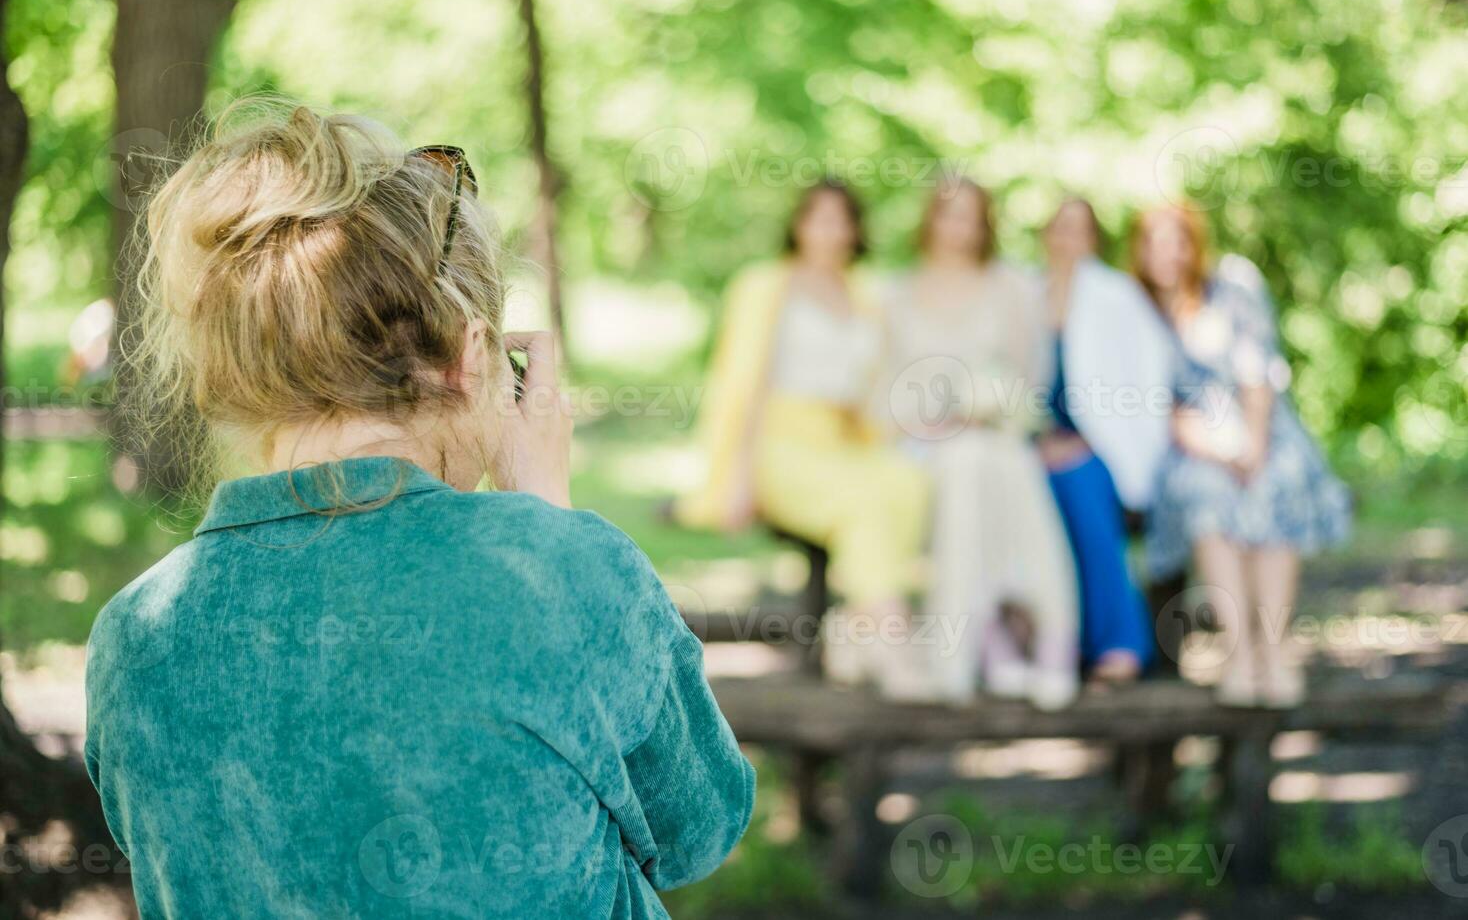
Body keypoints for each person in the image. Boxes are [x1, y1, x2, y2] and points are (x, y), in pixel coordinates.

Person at [85, 104, 754, 918]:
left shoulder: (134, 637)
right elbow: (698, 827)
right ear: (472, 360)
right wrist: (548, 526)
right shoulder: (566, 573)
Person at [675, 180, 930, 697]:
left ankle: (853, 630)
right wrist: (737, 477)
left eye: (841, 219)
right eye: (818, 217)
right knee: (859, 503)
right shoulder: (767, 285)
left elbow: (871, 385)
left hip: (843, 439)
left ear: (855, 230)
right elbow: (743, 382)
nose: (829, 230)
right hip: (776, 441)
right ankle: (894, 643)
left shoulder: (866, 294)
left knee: (907, 483)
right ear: (799, 224)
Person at [1131, 204, 1351, 708]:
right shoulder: (1135, 311)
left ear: (1194, 244)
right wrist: (1213, 448)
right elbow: (1149, 401)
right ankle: (1237, 652)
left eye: (1177, 240)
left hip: (1262, 429)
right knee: (1208, 493)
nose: (1168, 253)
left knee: (1277, 481)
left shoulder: (1232, 286)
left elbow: (1259, 372)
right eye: (1154, 243)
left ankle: (1272, 649)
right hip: (1188, 444)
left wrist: (1250, 447)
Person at [878, 179, 1078, 709]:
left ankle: (1038, 630)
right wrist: (931, 422)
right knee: (966, 466)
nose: (957, 228)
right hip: (922, 441)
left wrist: (987, 410)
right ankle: (986, 641)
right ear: (930, 220)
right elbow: (885, 386)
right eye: (948, 215)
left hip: (997, 434)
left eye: (969, 217)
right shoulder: (896, 293)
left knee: (1004, 465)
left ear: (983, 224)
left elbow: (1028, 377)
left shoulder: (1009, 286)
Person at [1038, 197, 1175, 685]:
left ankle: (1119, 642)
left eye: (1079, 230)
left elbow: (1147, 383)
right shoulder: (1026, 293)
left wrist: (1092, 442)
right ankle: (1047, 641)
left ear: (1093, 239)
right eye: (1059, 227)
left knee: (1079, 487)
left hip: (1102, 447)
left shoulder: (1116, 296)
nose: (1067, 239)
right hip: (1033, 446)